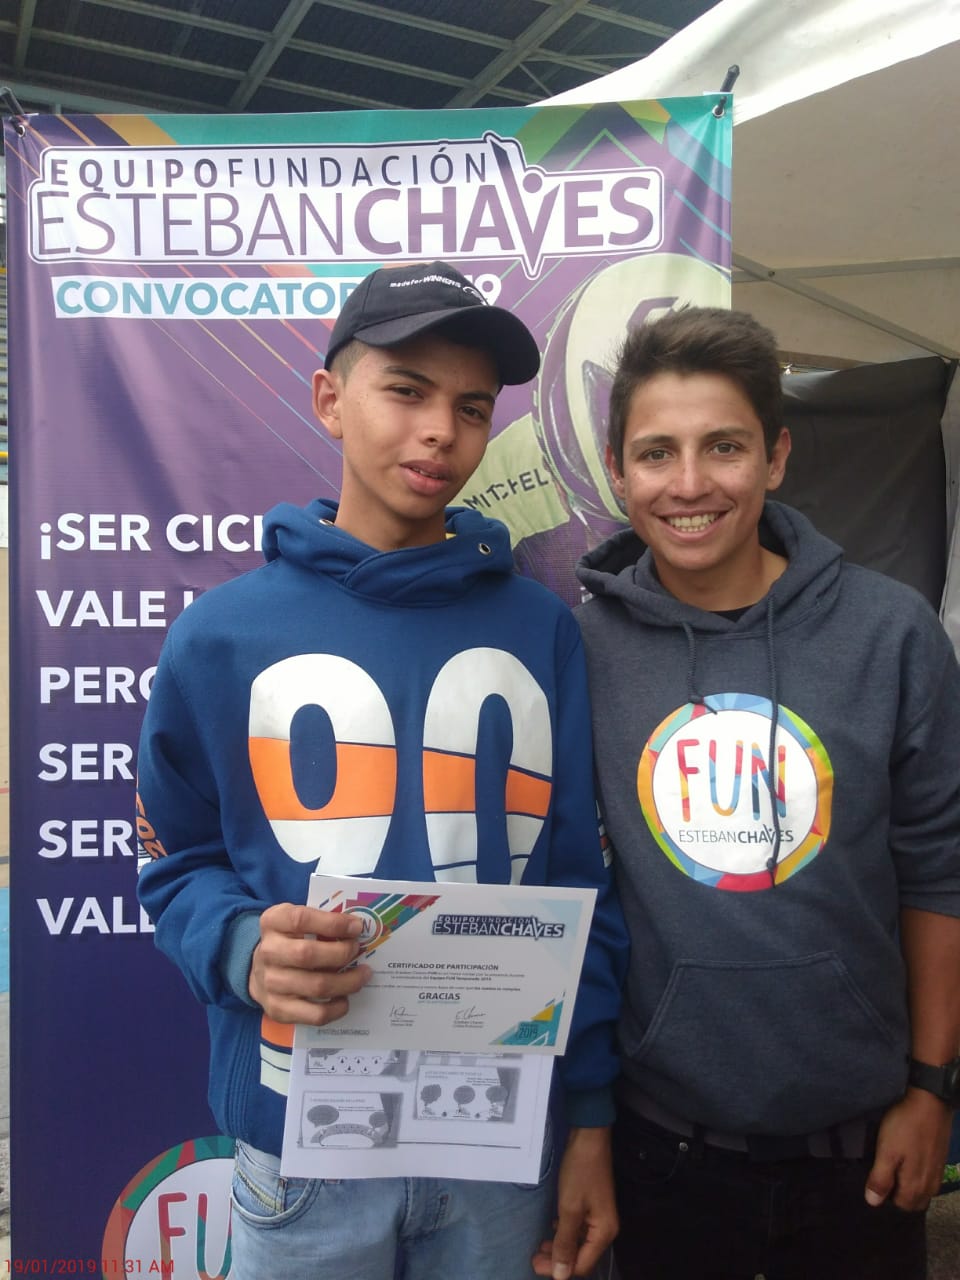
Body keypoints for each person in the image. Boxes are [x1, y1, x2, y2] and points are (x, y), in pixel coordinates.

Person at [135, 260, 628, 1280]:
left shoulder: (541, 630)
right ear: (330, 398)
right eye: (406, 389)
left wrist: (588, 1110)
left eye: (473, 407)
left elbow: (581, 881)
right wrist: (240, 945)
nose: (441, 430)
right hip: (301, 1148)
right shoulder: (219, 636)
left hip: (501, 1143)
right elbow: (173, 861)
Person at [574, 305, 960, 1280]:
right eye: (656, 453)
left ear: (776, 457)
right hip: (661, 1150)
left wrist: (931, 1087)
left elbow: (939, 872)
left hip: (862, 1149)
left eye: (724, 446)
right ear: (617, 471)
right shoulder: (582, 648)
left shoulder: (891, 634)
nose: (690, 483)